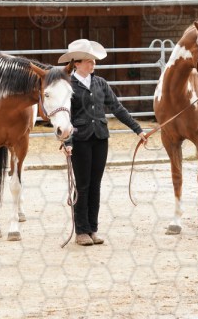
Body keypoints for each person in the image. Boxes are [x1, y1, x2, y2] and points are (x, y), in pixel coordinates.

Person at [58, 39, 147, 246]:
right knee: (82, 185)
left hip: (100, 138)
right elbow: (64, 116)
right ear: (77, 63)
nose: (93, 64)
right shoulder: (67, 86)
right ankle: (81, 231)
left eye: (94, 61)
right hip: (79, 140)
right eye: (89, 61)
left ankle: (92, 229)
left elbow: (117, 108)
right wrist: (67, 142)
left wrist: (137, 129)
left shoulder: (100, 83)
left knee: (95, 185)